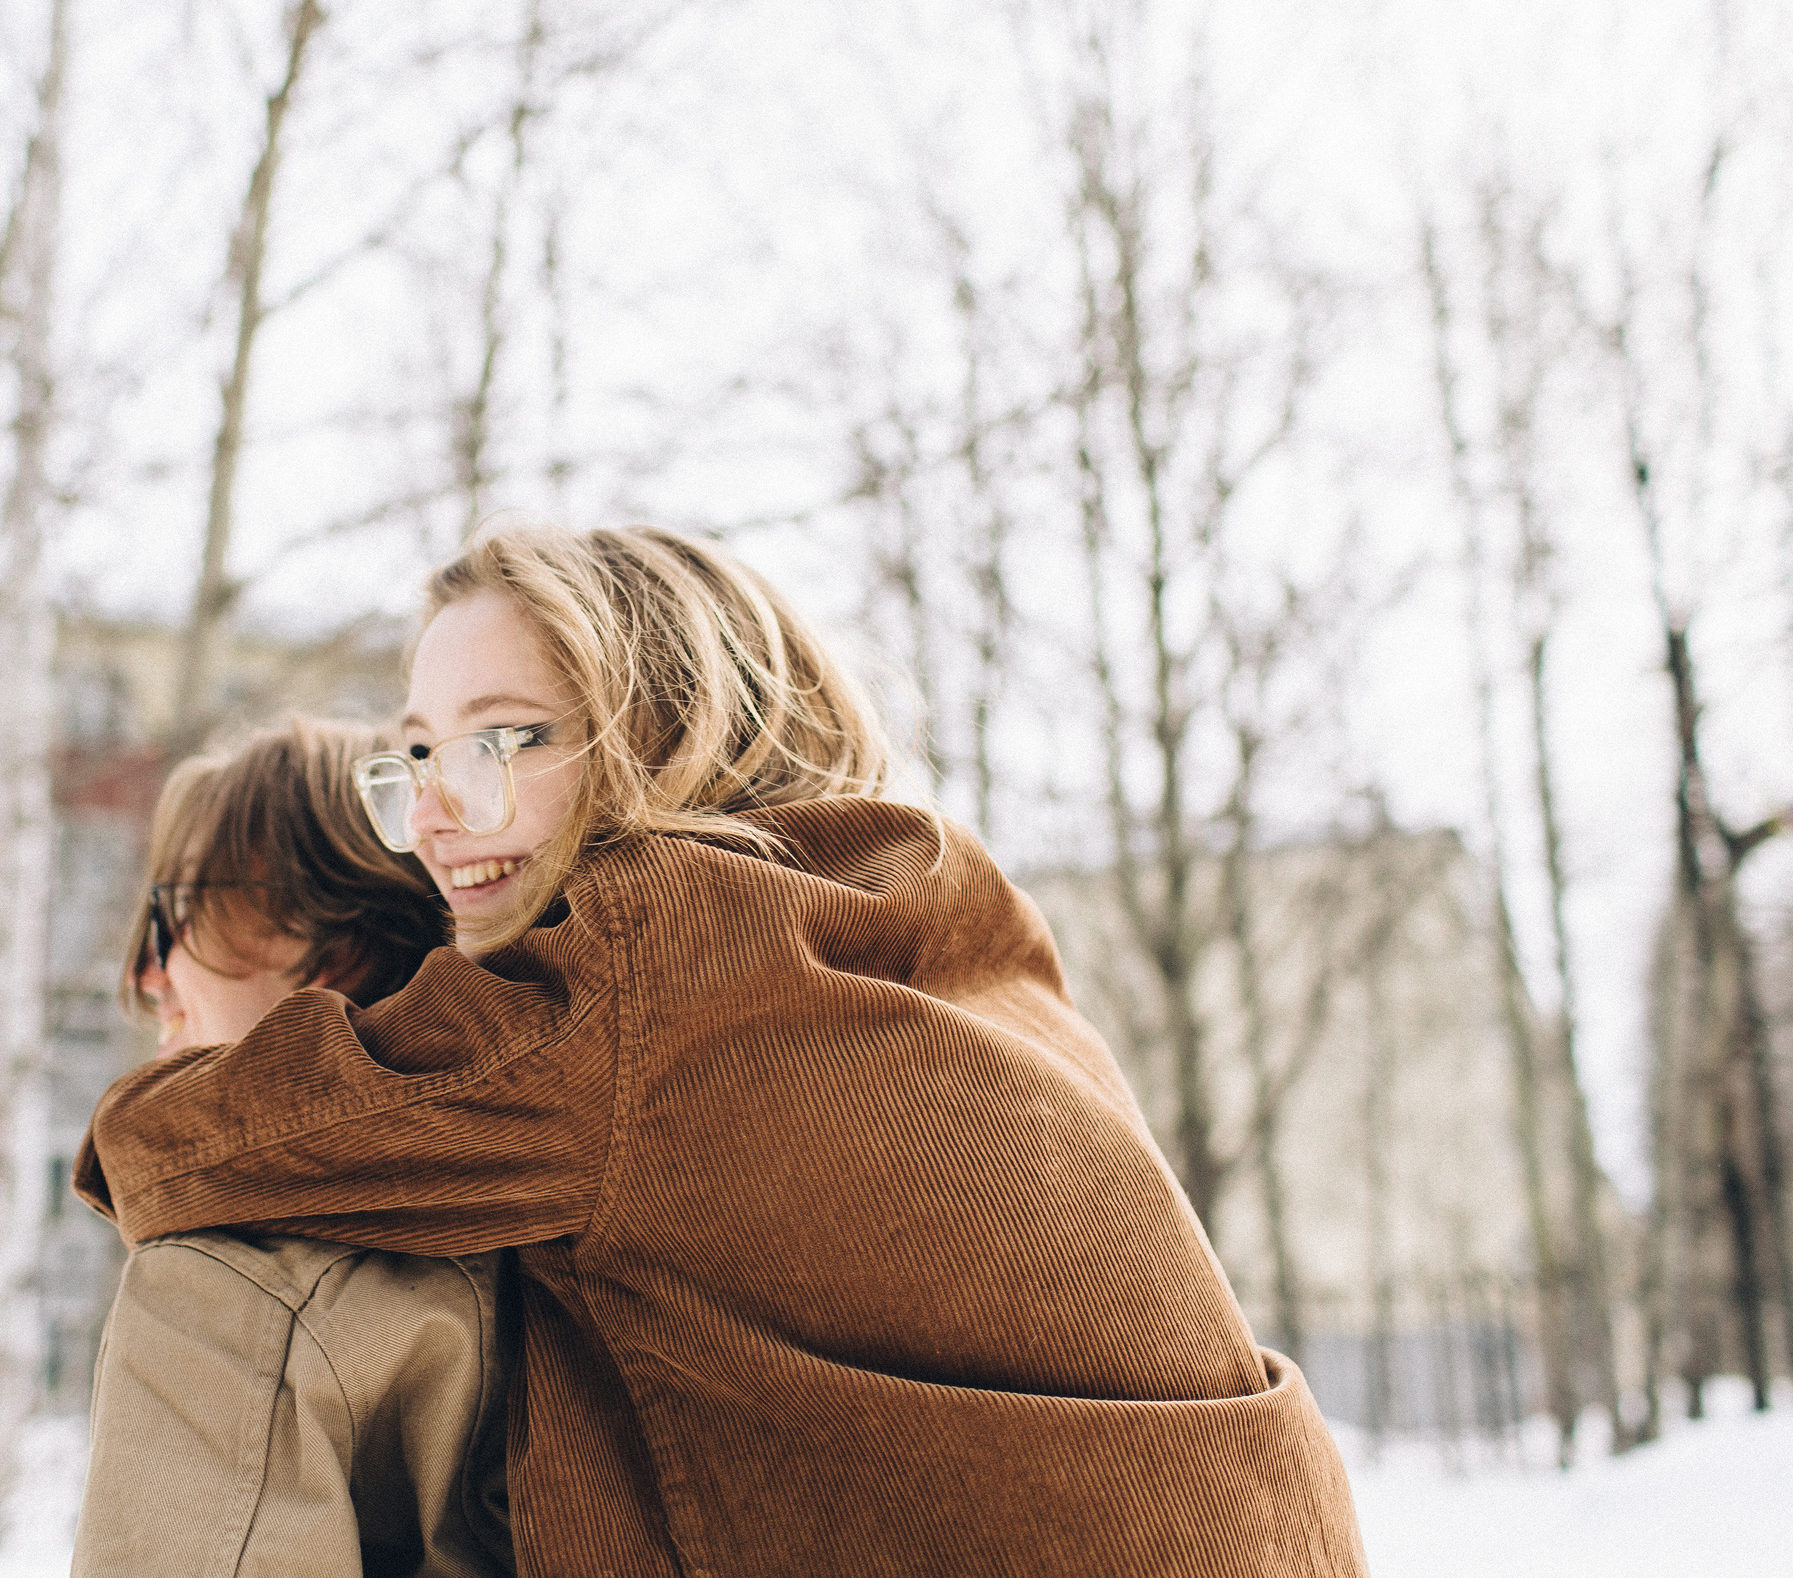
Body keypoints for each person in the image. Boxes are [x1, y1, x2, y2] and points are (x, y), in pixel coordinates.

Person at [79, 524, 1368, 1576]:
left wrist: (118, 1125)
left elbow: (223, 1144)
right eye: (412, 754)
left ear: (669, 726)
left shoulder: (648, 958)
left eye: (501, 739)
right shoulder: (927, 909)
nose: (429, 812)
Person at [71, 719, 514, 1578]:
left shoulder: (230, 1290)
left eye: (174, 915)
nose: (144, 975)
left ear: (330, 948)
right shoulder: (580, 1222)